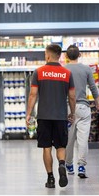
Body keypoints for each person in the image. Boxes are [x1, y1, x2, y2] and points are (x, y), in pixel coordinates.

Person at [26, 44, 76, 188]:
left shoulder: (39, 72)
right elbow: (72, 96)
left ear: (48, 56)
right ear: (60, 56)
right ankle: (62, 165)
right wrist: (72, 113)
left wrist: (29, 114)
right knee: (61, 146)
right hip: (61, 116)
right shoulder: (67, 73)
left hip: (44, 116)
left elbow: (33, 94)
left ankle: (51, 179)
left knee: (46, 147)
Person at [65, 45, 99, 178]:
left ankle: (69, 165)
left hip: (67, 108)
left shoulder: (63, 69)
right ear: (79, 55)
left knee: (68, 139)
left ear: (67, 56)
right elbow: (93, 87)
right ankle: (81, 166)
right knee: (83, 140)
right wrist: (97, 104)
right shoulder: (86, 69)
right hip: (83, 108)